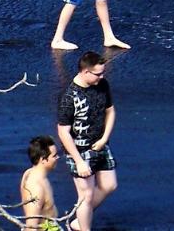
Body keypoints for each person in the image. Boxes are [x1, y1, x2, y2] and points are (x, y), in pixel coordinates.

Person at [57, 52, 117, 231]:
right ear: (84, 72)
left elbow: (110, 111)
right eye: (97, 73)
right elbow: (63, 131)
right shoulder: (69, 97)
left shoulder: (102, 84)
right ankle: (83, 227)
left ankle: (79, 221)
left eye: (103, 72)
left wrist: (104, 138)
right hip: (79, 151)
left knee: (109, 185)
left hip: (100, 144)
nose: (102, 76)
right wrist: (79, 161)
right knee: (86, 195)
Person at [20, 135, 60, 229]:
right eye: (54, 156)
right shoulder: (36, 188)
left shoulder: (29, 172)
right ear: (42, 160)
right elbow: (31, 226)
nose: (57, 158)